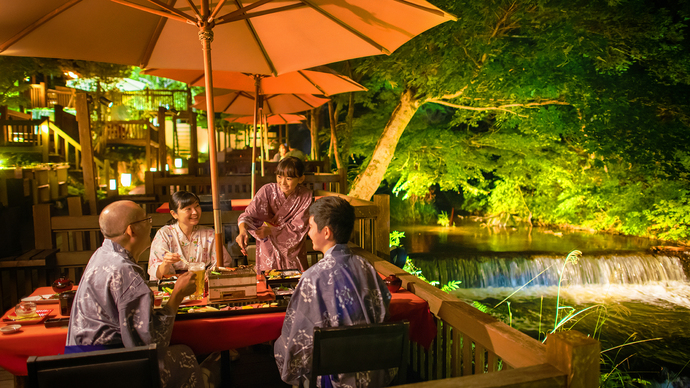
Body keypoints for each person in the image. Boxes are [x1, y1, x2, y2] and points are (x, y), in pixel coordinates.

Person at [66, 200, 203, 388]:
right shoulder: (125, 272)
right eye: (147, 220)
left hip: (79, 366)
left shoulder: (101, 254)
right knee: (185, 354)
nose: (151, 225)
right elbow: (152, 343)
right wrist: (177, 294)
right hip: (111, 371)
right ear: (132, 230)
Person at [274, 196, 392, 387]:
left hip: (336, 379)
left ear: (326, 232)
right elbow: (383, 307)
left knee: (284, 345)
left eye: (311, 227)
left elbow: (298, 340)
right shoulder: (366, 267)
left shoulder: (313, 277)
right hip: (376, 373)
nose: (308, 233)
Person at [236, 156, 312, 272]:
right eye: (279, 176)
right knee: (268, 282)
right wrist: (242, 231)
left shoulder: (306, 197)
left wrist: (271, 231)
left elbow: (299, 229)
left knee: (295, 283)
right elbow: (247, 215)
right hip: (268, 247)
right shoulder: (267, 191)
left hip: (293, 251)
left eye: (289, 178)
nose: (283, 182)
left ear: (301, 179)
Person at [148, 191, 232, 280]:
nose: (195, 212)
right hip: (173, 285)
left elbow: (224, 263)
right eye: (188, 209)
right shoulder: (164, 234)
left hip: (202, 282)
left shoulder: (209, 234)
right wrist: (166, 263)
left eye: (197, 206)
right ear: (174, 214)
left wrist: (210, 274)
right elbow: (157, 273)